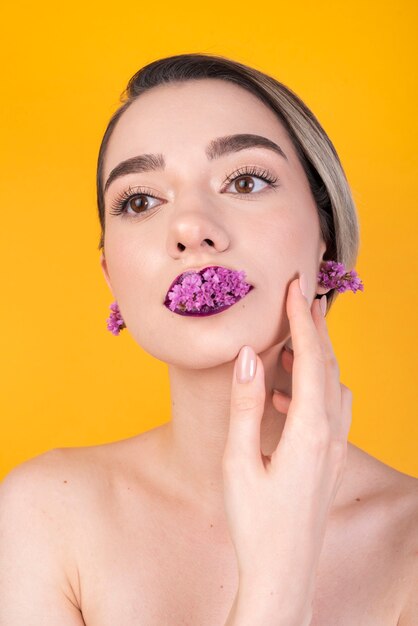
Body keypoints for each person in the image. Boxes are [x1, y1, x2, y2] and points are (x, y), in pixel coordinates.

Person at [0, 53, 416, 625]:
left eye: (245, 181)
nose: (190, 227)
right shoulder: (43, 514)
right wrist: (278, 570)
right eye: (140, 201)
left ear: (324, 234)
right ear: (111, 275)